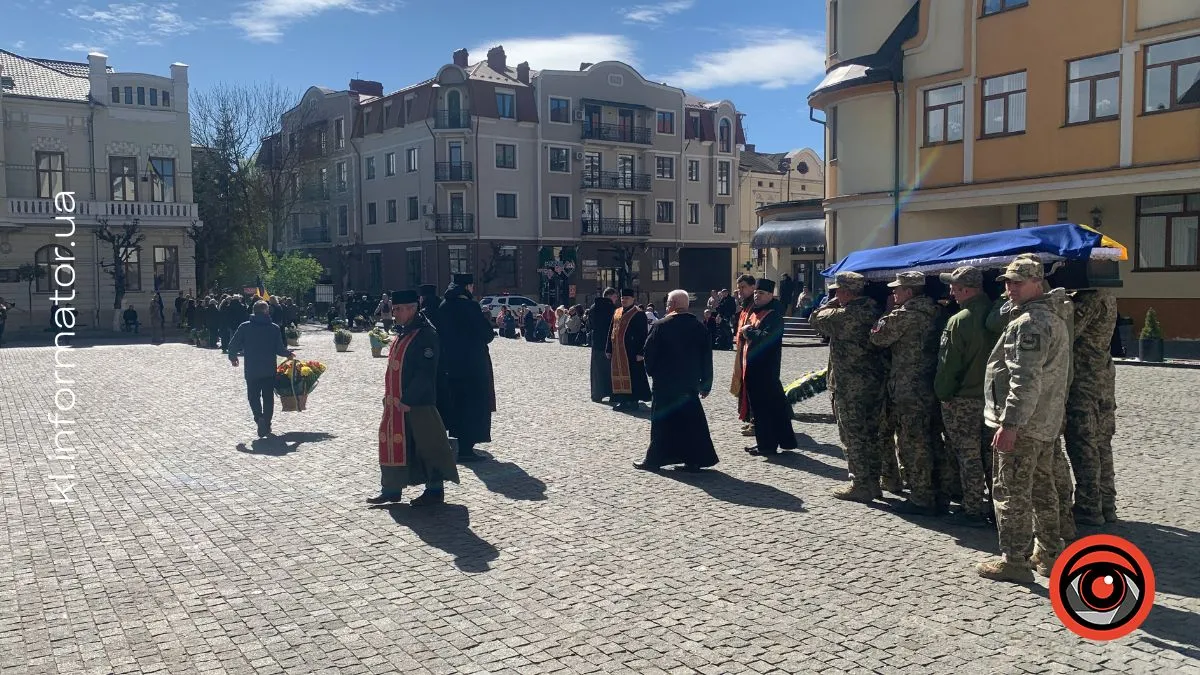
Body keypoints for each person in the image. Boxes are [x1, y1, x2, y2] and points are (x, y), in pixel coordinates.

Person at [977, 257, 1072, 583]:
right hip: (1044, 421)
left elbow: (1024, 381)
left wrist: (1010, 425)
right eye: (1007, 281)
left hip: (1025, 424)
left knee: (1011, 493)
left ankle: (1014, 561)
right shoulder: (1053, 316)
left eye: (1018, 282)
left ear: (1037, 283)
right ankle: (1048, 555)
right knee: (1044, 490)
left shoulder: (1030, 323)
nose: (1010, 288)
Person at [369, 290, 460, 506]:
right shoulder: (404, 332)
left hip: (417, 403)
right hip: (396, 403)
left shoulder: (425, 334)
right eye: (394, 308)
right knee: (393, 442)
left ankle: (435, 490)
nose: (395, 313)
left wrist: (409, 400)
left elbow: (425, 371)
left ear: (412, 308)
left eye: (398, 309)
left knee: (428, 445)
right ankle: (391, 489)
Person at [869, 271, 944, 516]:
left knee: (913, 442)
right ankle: (938, 491)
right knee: (932, 438)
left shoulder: (904, 315)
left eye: (897, 289)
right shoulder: (936, 311)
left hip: (908, 387)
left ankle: (921, 497)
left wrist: (888, 313)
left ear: (909, 292)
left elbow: (877, 337)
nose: (893, 293)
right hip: (931, 384)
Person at [810, 271, 886, 501]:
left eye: (837, 291)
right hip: (874, 382)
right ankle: (874, 481)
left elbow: (814, 319)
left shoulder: (841, 315)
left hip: (849, 385)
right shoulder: (875, 310)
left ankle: (861, 484)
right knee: (872, 434)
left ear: (843, 292)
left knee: (852, 435)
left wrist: (832, 303)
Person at [934, 266, 996, 528]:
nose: (950, 292)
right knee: (991, 457)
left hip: (963, 400)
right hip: (992, 399)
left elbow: (949, 366)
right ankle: (997, 508)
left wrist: (943, 394)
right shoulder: (997, 315)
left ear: (966, 290)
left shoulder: (959, 321)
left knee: (967, 455)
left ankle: (972, 508)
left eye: (954, 288)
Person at [635, 289, 718, 472]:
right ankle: (693, 460)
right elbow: (706, 357)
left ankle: (654, 460)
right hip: (689, 384)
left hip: (665, 384)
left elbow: (650, 354)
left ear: (671, 305)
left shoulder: (661, 325)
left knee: (662, 423)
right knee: (691, 423)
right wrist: (706, 383)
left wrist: (652, 372)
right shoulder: (699, 327)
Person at [1065, 289, 1119, 524]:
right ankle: (1107, 503)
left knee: (1083, 442)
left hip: (1085, 381)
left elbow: (1068, 332)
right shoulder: (1108, 294)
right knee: (1101, 442)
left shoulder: (1089, 298)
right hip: (1103, 377)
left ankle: (1089, 506)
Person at [437, 274, 496, 463]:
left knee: (458, 405)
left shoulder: (444, 305)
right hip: (473, 364)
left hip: (451, 364)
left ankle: (459, 444)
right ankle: (466, 449)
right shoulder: (470, 306)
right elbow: (487, 334)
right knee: (473, 406)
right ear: (468, 287)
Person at [737, 278, 798, 457]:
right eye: (756, 292)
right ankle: (785, 441)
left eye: (761, 293)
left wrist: (748, 331)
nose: (756, 295)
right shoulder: (756, 311)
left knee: (764, 409)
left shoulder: (773, 315)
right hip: (755, 368)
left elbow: (767, 338)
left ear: (771, 295)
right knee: (774, 407)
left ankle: (767, 445)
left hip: (765, 369)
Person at [227, 300, 295, 438]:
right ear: (267, 311)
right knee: (268, 398)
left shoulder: (245, 327)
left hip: (252, 369)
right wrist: (289, 354)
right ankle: (267, 423)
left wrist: (233, 357)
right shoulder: (274, 328)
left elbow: (233, 344)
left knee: (253, 396)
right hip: (269, 369)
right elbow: (280, 349)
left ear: (253, 311)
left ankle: (259, 418)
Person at [606, 289, 651, 412]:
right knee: (618, 375)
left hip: (632, 352)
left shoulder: (638, 313)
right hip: (617, 352)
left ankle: (633, 401)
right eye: (622, 298)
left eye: (627, 298)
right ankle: (623, 400)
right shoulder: (617, 312)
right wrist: (608, 348)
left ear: (632, 299)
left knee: (633, 376)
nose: (624, 300)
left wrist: (641, 352)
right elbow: (611, 331)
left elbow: (643, 334)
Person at [729, 274, 757, 437]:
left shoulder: (755, 305)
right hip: (743, 351)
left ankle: (756, 422)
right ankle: (750, 418)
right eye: (739, 288)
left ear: (753, 287)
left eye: (743, 287)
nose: (740, 291)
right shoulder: (746, 305)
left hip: (752, 353)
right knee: (745, 387)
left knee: (753, 389)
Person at [589, 288, 618, 403]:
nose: (616, 299)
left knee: (597, 370)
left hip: (597, 343)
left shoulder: (593, 307)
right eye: (615, 297)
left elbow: (590, 325)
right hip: (609, 343)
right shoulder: (613, 309)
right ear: (610, 296)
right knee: (610, 370)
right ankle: (612, 393)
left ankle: (597, 394)